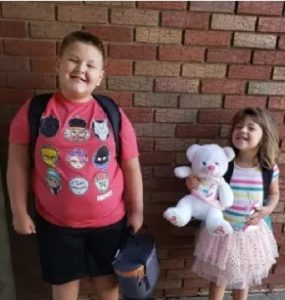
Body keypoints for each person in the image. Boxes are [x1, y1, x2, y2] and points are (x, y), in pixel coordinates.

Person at [7, 31, 143, 300]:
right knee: (64, 288)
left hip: (110, 223)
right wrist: (19, 212)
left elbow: (130, 165)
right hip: (56, 225)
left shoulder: (112, 113)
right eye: (73, 60)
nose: (81, 69)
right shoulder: (34, 110)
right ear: (58, 64)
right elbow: (17, 165)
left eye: (91, 65)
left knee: (108, 287)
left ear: (100, 76)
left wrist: (136, 211)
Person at [187, 107, 280, 300]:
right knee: (219, 278)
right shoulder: (223, 165)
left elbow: (274, 194)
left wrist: (267, 209)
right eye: (239, 126)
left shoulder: (268, 169)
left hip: (250, 234)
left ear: (264, 136)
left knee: (243, 278)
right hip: (222, 231)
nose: (243, 130)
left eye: (251, 128)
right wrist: (194, 184)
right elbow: (206, 188)